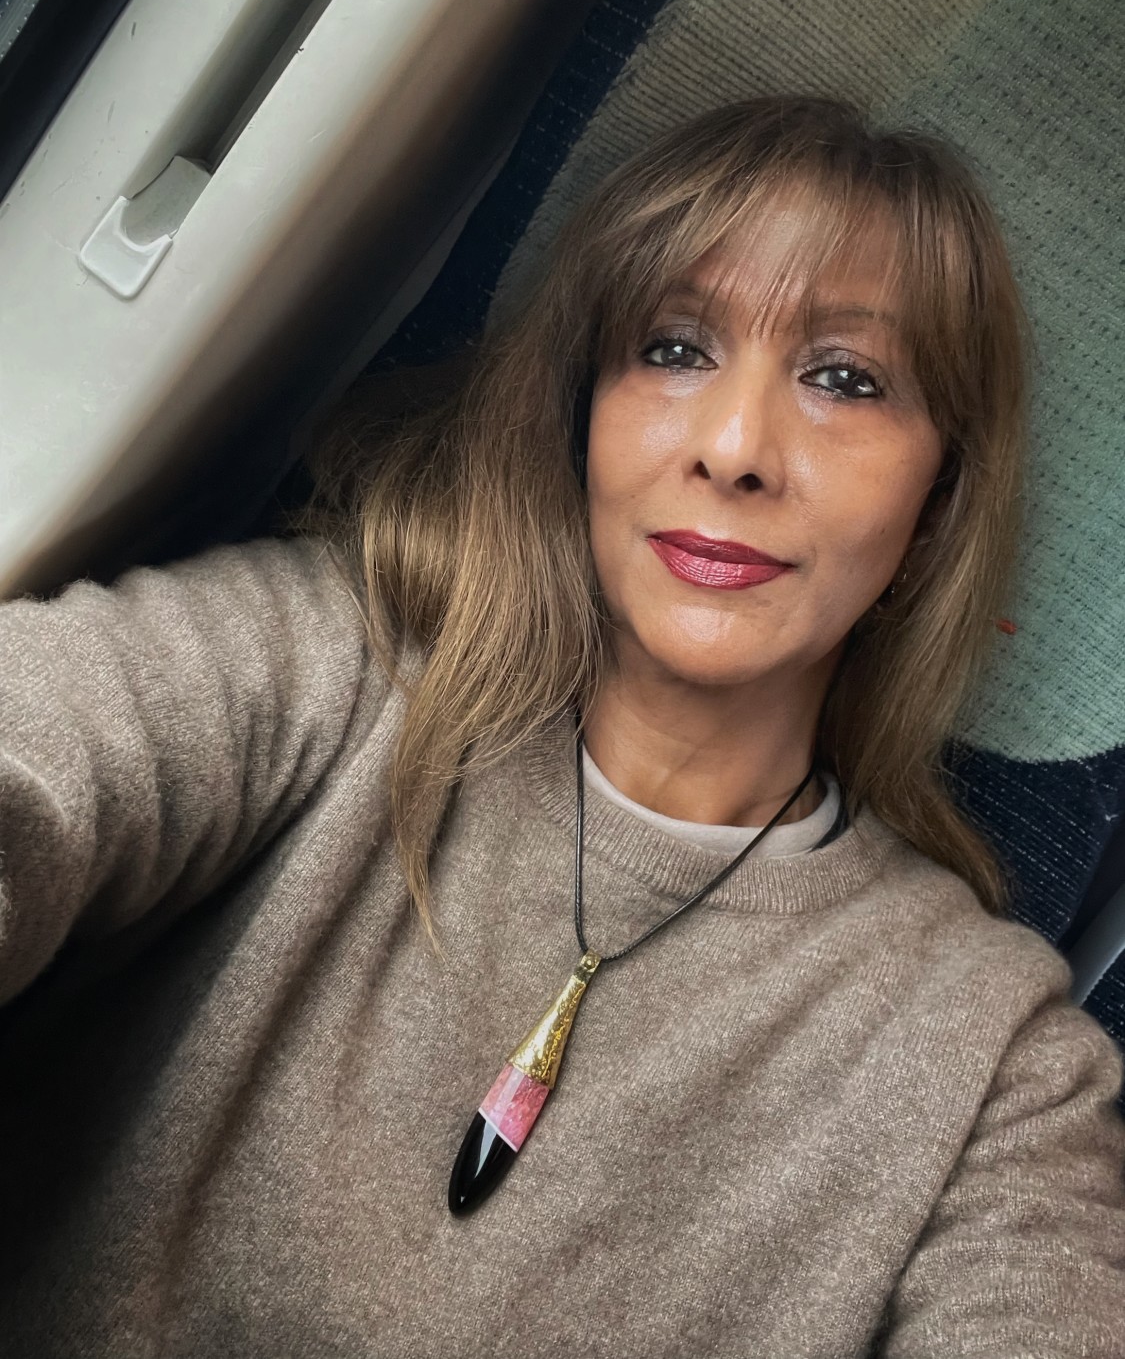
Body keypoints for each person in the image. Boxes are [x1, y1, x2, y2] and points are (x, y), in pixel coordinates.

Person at [0, 94, 1122, 1357]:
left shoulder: (994, 1070)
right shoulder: (319, 668)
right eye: (676, 349)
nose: (735, 449)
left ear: (937, 506)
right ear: (581, 415)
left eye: (843, 379)